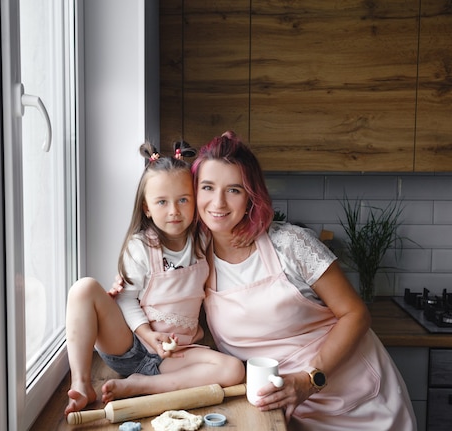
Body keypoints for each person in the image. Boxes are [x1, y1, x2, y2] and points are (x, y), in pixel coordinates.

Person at [191, 131, 417, 431]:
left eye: (234, 189)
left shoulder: (291, 244)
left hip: (359, 404)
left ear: (250, 197)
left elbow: (356, 314)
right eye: (207, 187)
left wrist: (310, 380)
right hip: (283, 408)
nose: (217, 202)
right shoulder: (193, 257)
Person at [64, 141, 245, 416]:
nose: (174, 211)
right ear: (146, 208)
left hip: (176, 354)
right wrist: (147, 334)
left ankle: (146, 385)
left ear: (195, 201)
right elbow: (125, 298)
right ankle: (81, 382)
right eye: (162, 202)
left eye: (183, 200)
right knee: (83, 288)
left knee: (233, 369)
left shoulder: (203, 240)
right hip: (130, 344)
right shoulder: (140, 247)